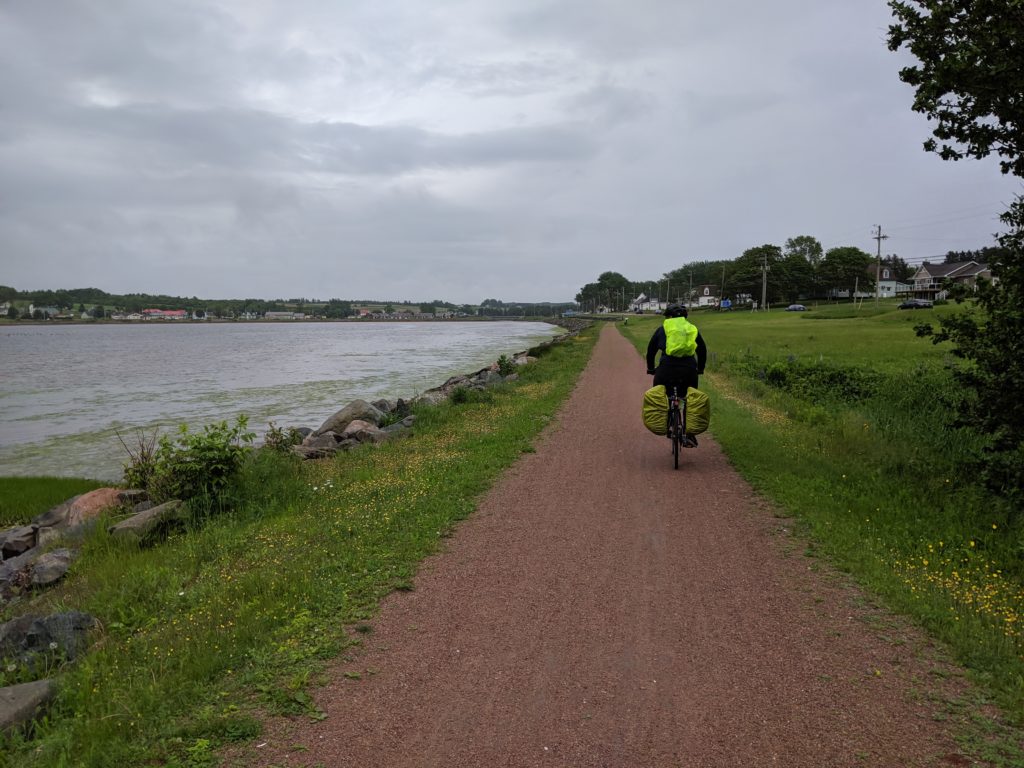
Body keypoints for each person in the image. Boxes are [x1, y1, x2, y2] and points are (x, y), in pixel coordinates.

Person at [646, 304, 707, 445]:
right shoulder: (691, 329)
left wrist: (650, 368)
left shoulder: (662, 329)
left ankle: (666, 422)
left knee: (661, 393)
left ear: (669, 316)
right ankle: (689, 433)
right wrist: (700, 369)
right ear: (685, 316)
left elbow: (651, 351)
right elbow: (702, 350)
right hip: (689, 369)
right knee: (689, 398)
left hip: (666, 369)